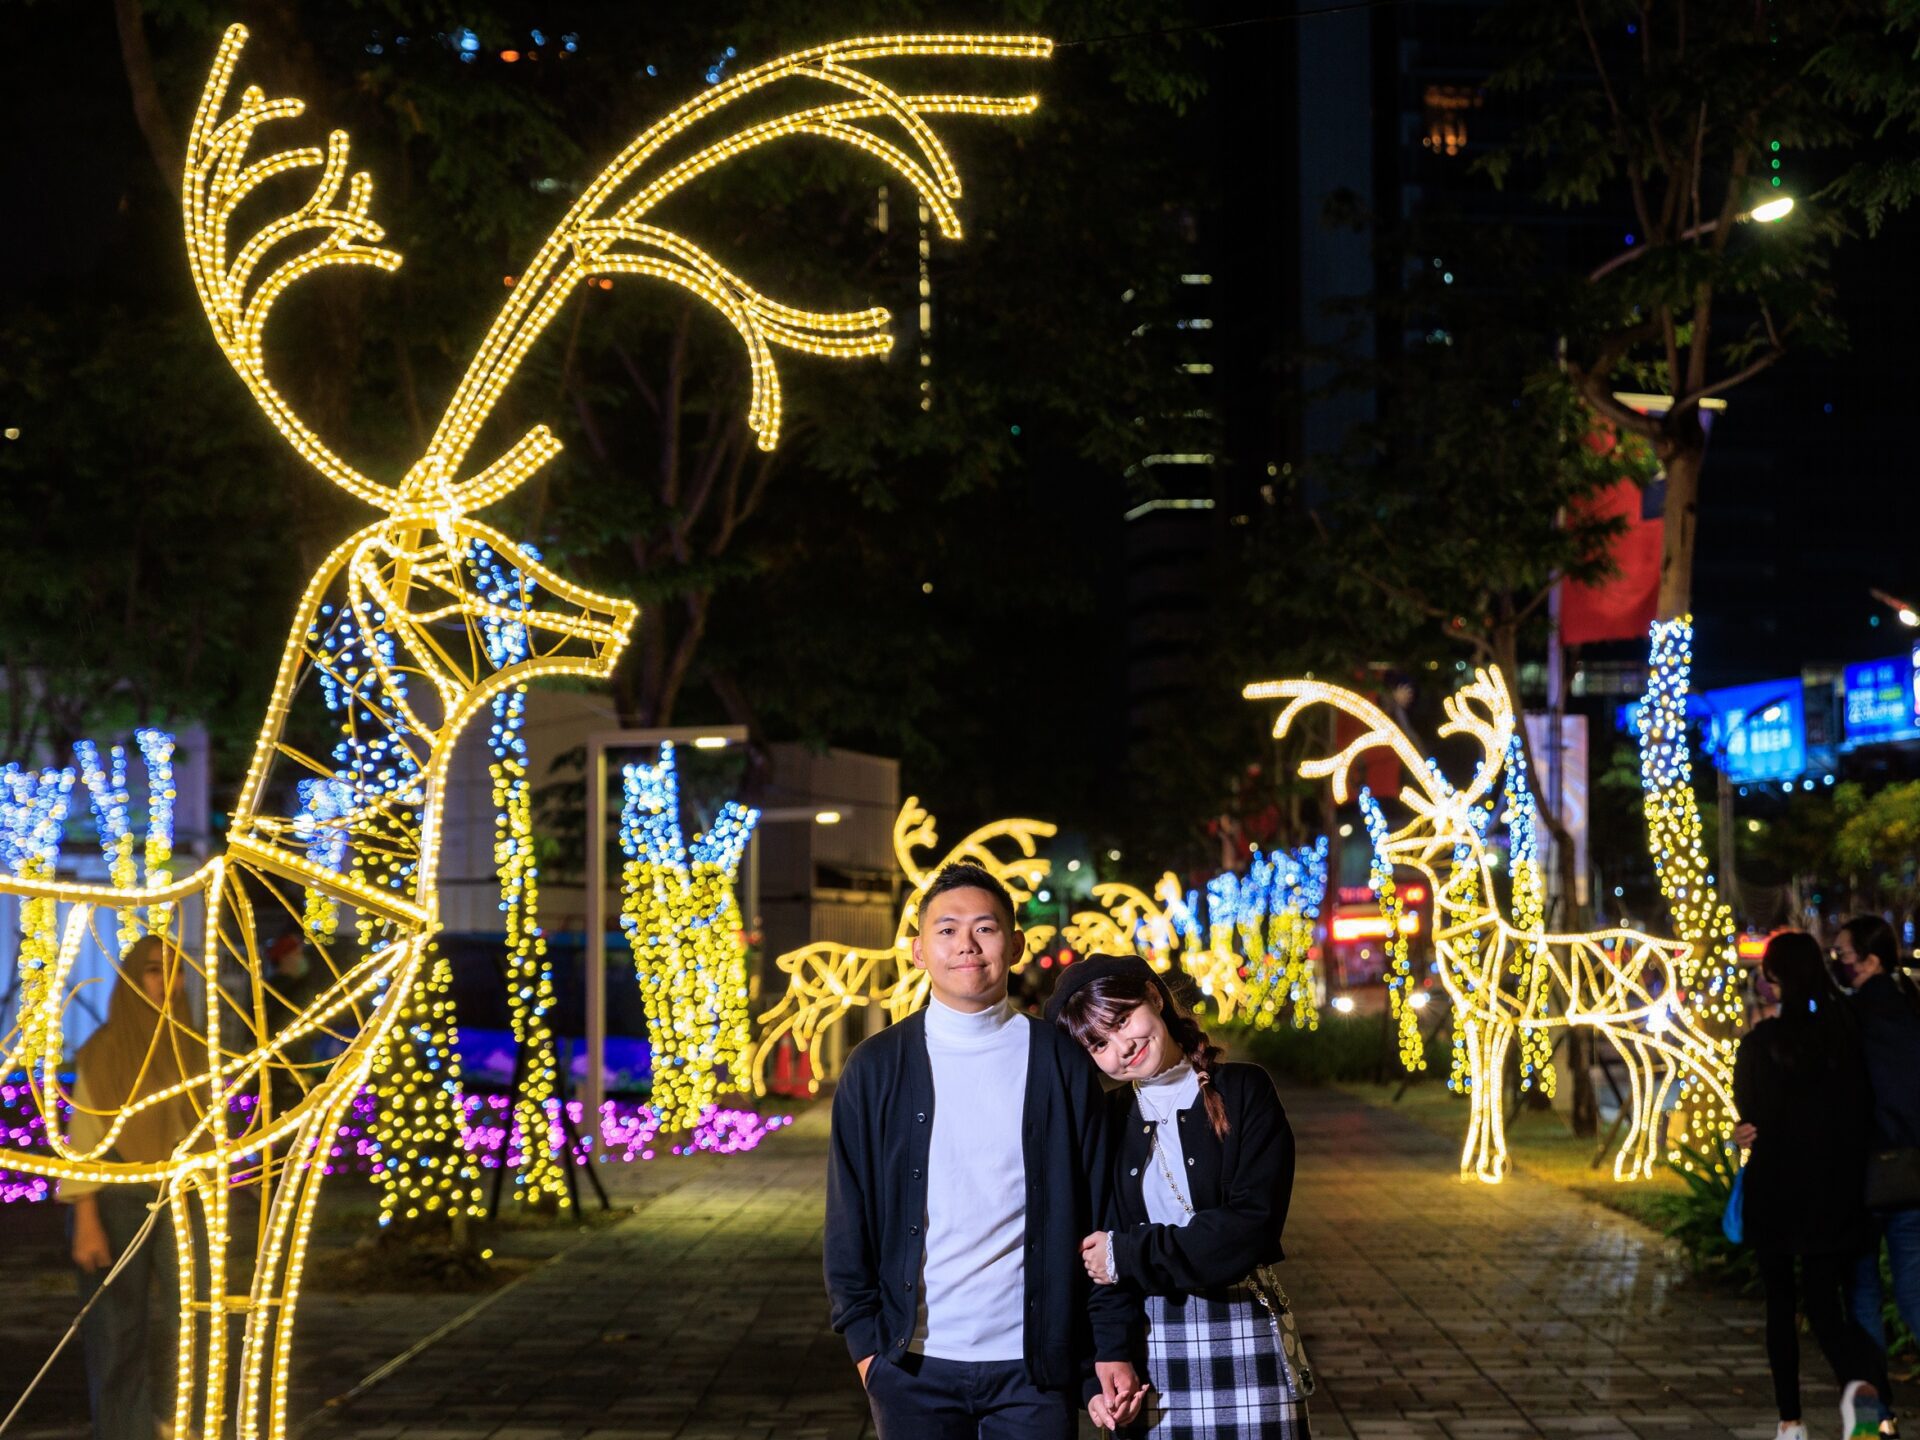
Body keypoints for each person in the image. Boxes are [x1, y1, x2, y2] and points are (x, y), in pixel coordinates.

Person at [824, 862, 1143, 1438]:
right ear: (918, 950)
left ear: (1015, 945)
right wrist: (867, 1350)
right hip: (911, 1365)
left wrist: (1110, 1344)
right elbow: (848, 1218)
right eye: (946, 930)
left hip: (1034, 1369)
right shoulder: (875, 1068)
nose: (966, 945)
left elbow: (1103, 1213)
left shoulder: (1061, 1061)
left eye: (985, 928)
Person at [1048, 953, 1307, 1438]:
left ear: (1153, 996)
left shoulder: (1244, 1090)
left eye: (1122, 1020)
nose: (1123, 1046)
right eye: (1099, 1043)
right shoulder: (1106, 1120)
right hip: (1147, 1346)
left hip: (1243, 1327)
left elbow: (1252, 1225)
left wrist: (1128, 1253)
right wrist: (1107, 1359)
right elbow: (1096, 1259)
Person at [1735, 930, 1888, 1440]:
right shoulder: (1844, 1040)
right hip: (1832, 1192)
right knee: (1827, 1310)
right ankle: (1870, 1412)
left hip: (1774, 1191)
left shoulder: (1759, 1045)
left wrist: (1745, 1131)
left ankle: (1791, 1423)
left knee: (1780, 1307)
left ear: (1776, 980)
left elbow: (1749, 1112)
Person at [62, 934, 203, 1440]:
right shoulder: (105, 1049)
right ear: (131, 978)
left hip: (183, 1194)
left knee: (197, 1318)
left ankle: (181, 1422)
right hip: (117, 1195)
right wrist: (86, 1219)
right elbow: (84, 1140)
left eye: (175, 970)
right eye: (152, 969)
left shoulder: (193, 1045)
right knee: (116, 1331)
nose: (166, 982)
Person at [1837, 916, 1920, 1436]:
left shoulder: (1852, 1017)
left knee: (1862, 1296)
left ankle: (1874, 1422)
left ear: (1869, 961)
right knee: (1915, 1292)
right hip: (1913, 1173)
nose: (1838, 963)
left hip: (1863, 1176)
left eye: (1843, 955)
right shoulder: (1913, 1007)